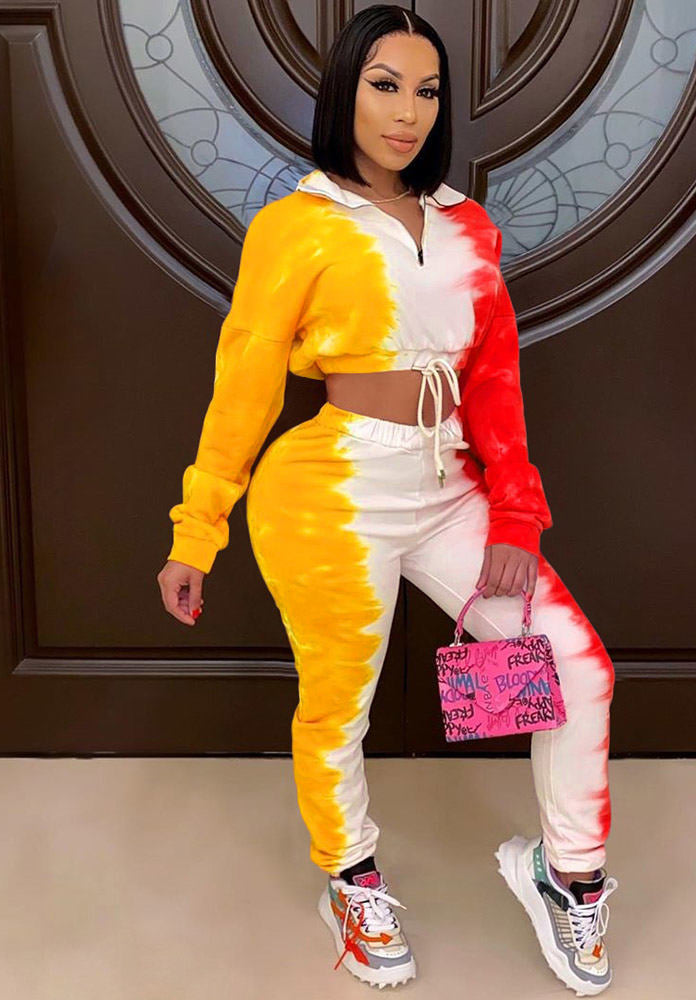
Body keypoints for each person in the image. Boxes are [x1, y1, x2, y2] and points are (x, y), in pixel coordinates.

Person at [156, 5, 618, 995]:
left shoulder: (467, 225)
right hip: (333, 491)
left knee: (575, 669)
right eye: (384, 85)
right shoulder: (295, 227)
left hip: (452, 488)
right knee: (340, 703)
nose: (407, 112)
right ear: (346, 94)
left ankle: (567, 875)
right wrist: (199, 530)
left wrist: (516, 514)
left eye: (427, 91)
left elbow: (495, 381)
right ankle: (352, 879)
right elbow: (245, 384)